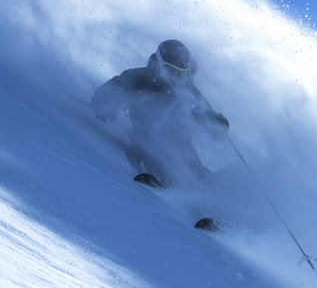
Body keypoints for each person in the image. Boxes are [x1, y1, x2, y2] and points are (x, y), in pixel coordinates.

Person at [92, 39, 229, 188]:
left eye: (178, 73)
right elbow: (105, 95)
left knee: (190, 165)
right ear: (157, 62)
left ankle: (208, 187)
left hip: (178, 140)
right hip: (143, 138)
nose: (172, 77)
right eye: (169, 70)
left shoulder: (185, 90)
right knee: (152, 154)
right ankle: (163, 183)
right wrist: (104, 108)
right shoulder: (137, 78)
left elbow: (204, 113)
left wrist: (217, 124)